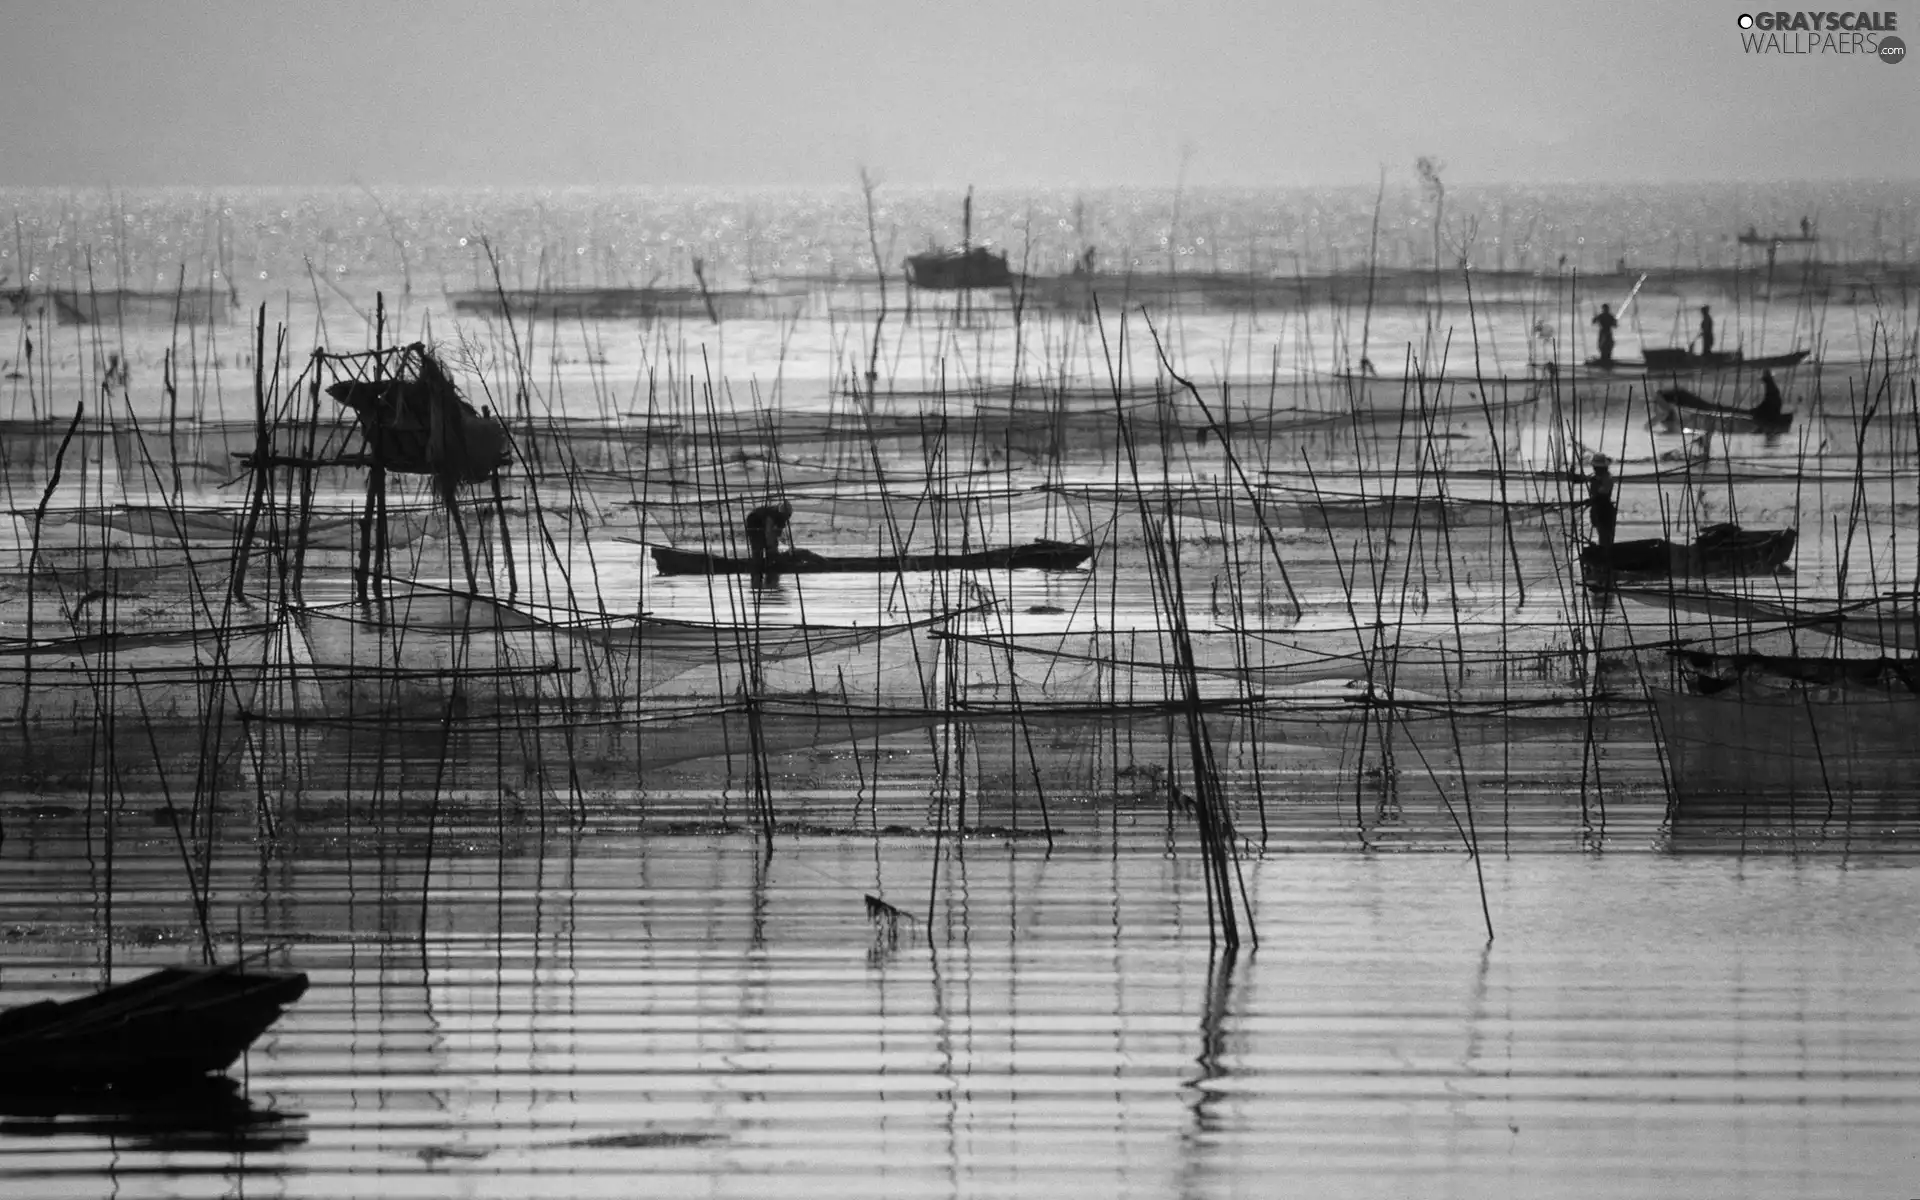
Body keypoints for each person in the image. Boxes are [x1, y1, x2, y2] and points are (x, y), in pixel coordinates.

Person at [743, 499, 794, 579]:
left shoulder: (783, 516)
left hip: (763, 524)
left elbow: (777, 532)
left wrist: (776, 543)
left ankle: (770, 569)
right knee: (758, 547)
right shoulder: (771, 515)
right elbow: (768, 532)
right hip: (754, 522)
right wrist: (770, 546)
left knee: (771, 547)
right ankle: (757, 571)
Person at [1587, 454, 1617, 547]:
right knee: (1602, 535)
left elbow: (1601, 494)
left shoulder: (1607, 478)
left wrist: (1590, 501)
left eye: (1596, 467)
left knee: (1606, 537)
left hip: (1605, 510)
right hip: (1598, 509)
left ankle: (1605, 553)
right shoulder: (1595, 478)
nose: (1594, 469)